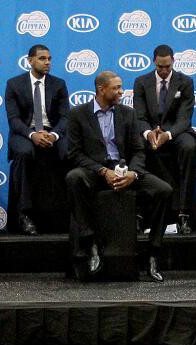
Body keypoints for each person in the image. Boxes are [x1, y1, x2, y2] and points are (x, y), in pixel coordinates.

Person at [66, 71, 172, 282]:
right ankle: (91, 243)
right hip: (96, 170)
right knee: (74, 178)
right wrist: (102, 171)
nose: (121, 92)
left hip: (125, 168)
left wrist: (133, 173)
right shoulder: (78, 114)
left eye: (121, 87)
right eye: (116, 88)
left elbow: (138, 150)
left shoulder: (128, 113)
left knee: (164, 191)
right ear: (101, 89)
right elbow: (75, 154)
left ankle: (153, 253)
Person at [132, 44, 196, 234]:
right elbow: (139, 116)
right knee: (136, 148)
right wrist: (148, 133)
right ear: (154, 61)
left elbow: (184, 118)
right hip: (150, 131)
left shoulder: (185, 82)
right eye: (160, 67)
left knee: (188, 146)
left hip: (176, 132)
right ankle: (139, 214)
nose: (164, 71)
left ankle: (183, 213)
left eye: (167, 67)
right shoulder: (141, 82)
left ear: (173, 62)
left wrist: (167, 135)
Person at [4, 45, 70, 235]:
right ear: (30, 60)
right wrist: (32, 135)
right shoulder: (14, 84)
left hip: (53, 132)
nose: (47, 62)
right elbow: (14, 120)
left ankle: (66, 215)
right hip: (25, 132)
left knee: (67, 152)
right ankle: (24, 214)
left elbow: (65, 117)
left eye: (49, 58)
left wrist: (54, 135)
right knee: (25, 153)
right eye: (42, 58)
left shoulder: (59, 84)